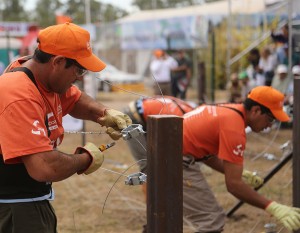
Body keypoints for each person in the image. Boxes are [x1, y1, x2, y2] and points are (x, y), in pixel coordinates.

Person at [0, 22, 132, 233]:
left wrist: (104, 114)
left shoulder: (45, 78)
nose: (80, 77)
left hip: (28, 200)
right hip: (14, 208)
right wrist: (85, 158)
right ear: (58, 61)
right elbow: (44, 166)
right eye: (79, 69)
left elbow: (75, 99)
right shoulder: (19, 93)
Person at [182, 86, 300, 232]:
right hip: (176, 160)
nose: (270, 126)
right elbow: (233, 185)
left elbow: (204, 152)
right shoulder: (234, 128)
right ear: (256, 110)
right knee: (212, 219)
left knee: (165, 212)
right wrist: (272, 206)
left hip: (166, 152)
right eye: (270, 119)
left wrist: (239, 172)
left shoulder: (229, 110)